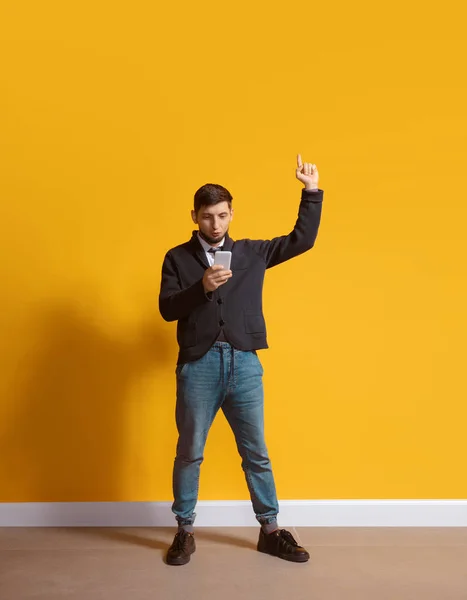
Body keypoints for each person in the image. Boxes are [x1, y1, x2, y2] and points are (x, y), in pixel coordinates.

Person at [159, 154, 323, 565]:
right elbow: (167, 309)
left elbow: (301, 240)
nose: (216, 225)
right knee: (190, 450)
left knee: (256, 452)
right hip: (198, 364)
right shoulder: (177, 258)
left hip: (245, 363)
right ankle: (185, 530)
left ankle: (270, 530)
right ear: (194, 216)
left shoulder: (252, 253)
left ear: (232, 215)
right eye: (208, 217)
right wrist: (201, 287)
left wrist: (311, 192)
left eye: (223, 216)